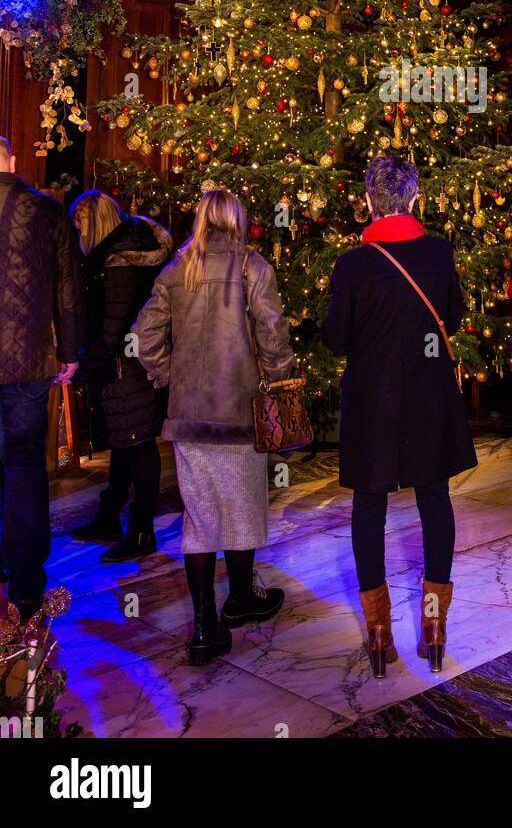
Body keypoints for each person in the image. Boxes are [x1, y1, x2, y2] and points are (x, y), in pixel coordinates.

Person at [322, 155, 476, 678]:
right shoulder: (438, 252)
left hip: (373, 401)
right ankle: (434, 628)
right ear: (415, 201)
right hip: (429, 397)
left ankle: (379, 634)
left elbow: (336, 339)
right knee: (435, 500)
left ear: (368, 202)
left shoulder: (352, 265)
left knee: (369, 507)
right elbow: (452, 317)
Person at [135, 189, 295, 666]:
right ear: (237, 220)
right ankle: (241, 599)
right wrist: (280, 376)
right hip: (240, 413)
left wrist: (169, 375)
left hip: (189, 417)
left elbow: (145, 338)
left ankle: (205, 627)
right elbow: (273, 331)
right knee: (244, 508)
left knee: (199, 520)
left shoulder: (176, 270)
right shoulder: (253, 266)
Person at [0, 137, 84, 621]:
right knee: (25, 466)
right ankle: (27, 584)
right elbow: (69, 287)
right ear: (14, 162)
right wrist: (70, 352)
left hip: (25, 363)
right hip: (28, 360)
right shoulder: (45, 212)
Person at [68, 191, 173, 561]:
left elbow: (114, 328)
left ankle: (141, 532)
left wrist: (85, 366)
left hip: (126, 366)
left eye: (79, 223)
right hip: (131, 364)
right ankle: (111, 516)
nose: (75, 232)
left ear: (93, 224)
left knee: (138, 444)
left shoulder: (116, 266)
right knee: (127, 441)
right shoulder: (123, 259)